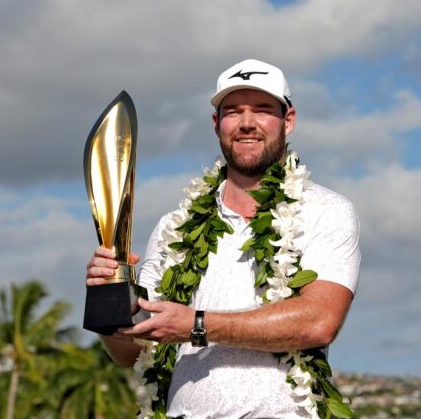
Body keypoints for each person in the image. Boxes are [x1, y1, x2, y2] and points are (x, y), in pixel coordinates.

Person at [86, 59, 360, 418]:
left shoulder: (326, 210)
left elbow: (318, 322)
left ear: (288, 120)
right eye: (233, 111)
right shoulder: (175, 226)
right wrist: (110, 295)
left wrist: (197, 325)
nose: (247, 122)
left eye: (262, 109)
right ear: (217, 124)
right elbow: (127, 353)